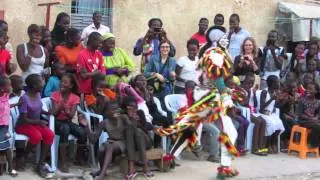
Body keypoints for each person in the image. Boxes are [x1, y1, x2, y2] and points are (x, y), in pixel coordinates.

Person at [15, 74, 54, 178]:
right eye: (40, 82)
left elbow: (38, 109)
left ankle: (40, 163)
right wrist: (38, 122)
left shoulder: (38, 94)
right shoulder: (24, 99)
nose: (42, 84)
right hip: (23, 125)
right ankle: (24, 155)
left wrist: (46, 112)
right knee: (37, 136)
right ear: (33, 85)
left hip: (34, 123)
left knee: (50, 134)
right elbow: (24, 119)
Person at [51, 73, 87, 172]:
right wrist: (60, 106)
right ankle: (63, 162)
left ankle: (78, 158)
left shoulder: (75, 98)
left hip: (67, 121)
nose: (62, 83)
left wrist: (66, 110)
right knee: (65, 128)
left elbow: (71, 116)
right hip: (56, 123)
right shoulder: (55, 95)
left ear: (71, 86)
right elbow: (54, 113)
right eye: (61, 81)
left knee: (82, 132)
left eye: (65, 82)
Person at [86, 101, 130, 180]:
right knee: (101, 148)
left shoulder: (123, 118)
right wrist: (86, 126)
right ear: (107, 112)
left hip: (123, 142)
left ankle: (102, 175)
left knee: (109, 146)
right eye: (113, 109)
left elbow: (131, 129)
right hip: (111, 142)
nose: (115, 111)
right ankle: (102, 170)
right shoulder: (104, 123)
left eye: (117, 109)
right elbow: (93, 139)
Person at [121, 97, 154, 179]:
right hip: (131, 144)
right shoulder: (123, 116)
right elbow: (122, 132)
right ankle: (132, 167)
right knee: (129, 130)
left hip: (146, 141)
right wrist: (130, 119)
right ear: (126, 108)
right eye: (130, 108)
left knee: (138, 131)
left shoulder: (140, 113)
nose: (134, 110)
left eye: (135, 107)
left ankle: (144, 166)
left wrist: (138, 123)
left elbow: (147, 128)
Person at [241, 73, 268, 156]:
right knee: (258, 122)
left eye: (251, 83)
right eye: (248, 82)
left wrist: (255, 94)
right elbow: (244, 104)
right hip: (244, 111)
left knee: (263, 121)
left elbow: (255, 105)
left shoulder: (252, 90)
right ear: (244, 81)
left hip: (252, 111)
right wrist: (249, 93)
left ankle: (261, 146)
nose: (250, 85)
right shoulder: (242, 90)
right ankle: (255, 148)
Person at [259, 75, 285, 154]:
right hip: (263, 114)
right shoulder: (264, 92)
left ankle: (273, 143)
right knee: (271, 125)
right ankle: (268, 145)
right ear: (272, 83)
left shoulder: (275, 92)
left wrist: (283, 101)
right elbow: (261, 107)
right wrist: (271, 99)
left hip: (271, 114)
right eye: (277, 82)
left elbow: (276, 106)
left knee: (279, 124)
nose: (278, 83)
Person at [0, 75, 18, 177]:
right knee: (5, 148)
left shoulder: (5, 96)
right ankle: (8, 168)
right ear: (2, 88)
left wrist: (16, 105)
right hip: (0, 127)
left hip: (4, 127)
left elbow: (6, 106)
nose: (11, 87)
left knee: (6, 147)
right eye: (9, 85)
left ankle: (10, 168)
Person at [297, 83, 320, 148]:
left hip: (314, 121)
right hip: (303, 121)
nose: (308, 90)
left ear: (316, 91)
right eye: (307, 88)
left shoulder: (318, 102)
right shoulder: (302, 100)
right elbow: (299, 114)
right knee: (317, 125)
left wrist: (316, 117)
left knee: (317, 124)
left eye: (311, 89)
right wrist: (310, 118)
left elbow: (318, 114)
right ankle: (311, 144)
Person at [278, 80, 298, 151]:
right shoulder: (286, 97)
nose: (294, 89)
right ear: (289, 89)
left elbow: (295, 110)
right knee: (292, 125)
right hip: (282, 115)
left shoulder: (296, 96)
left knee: (296, 123)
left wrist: (293, 115)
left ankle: (293, 143)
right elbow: (281, 109)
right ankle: (285, 143)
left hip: (290, 116)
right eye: (292, 88)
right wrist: (289, 116)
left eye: (295, 87)